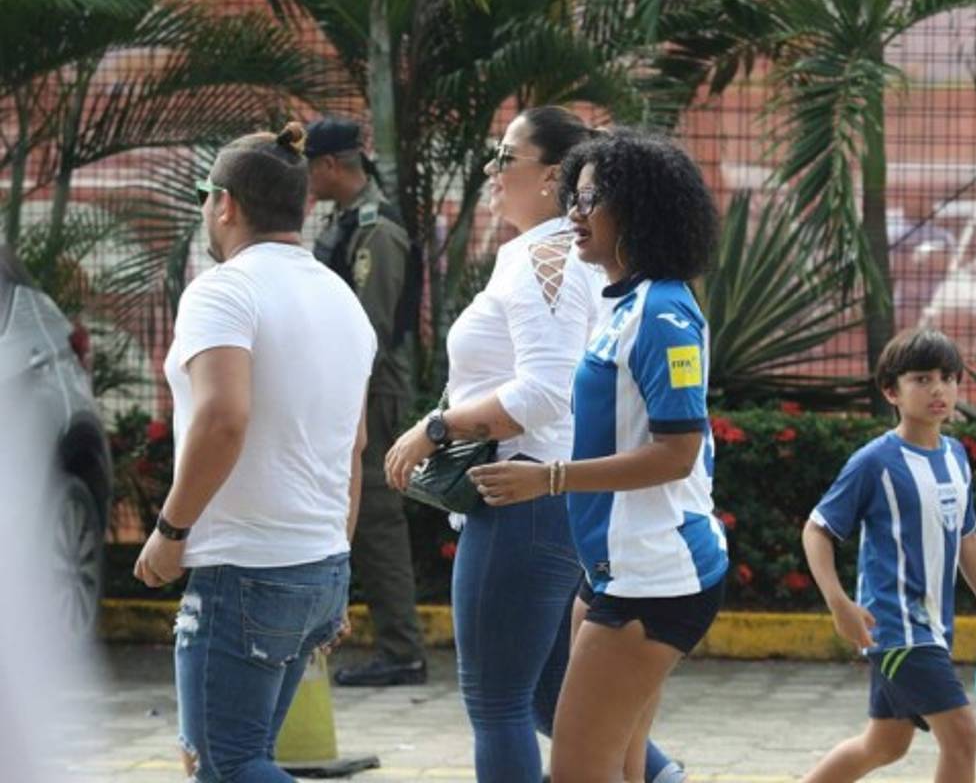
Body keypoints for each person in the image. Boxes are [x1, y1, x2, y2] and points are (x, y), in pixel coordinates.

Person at [383, 109, 683, 783]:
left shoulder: (541, 257)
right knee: (554, 698)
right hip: (560, 495)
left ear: (553, 176)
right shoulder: (585, 257)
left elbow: (544, 393)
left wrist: (437, 426)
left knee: (497, 702)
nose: (491, 171)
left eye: (504, 156)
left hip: (524, 494)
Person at [467, 128, 727, 783]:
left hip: (657, 574)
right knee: (621, 769)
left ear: (637, 211)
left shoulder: (663, 314)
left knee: (581, 771)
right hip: (619, 568)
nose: (574, 214)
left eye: (591, 201)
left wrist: (548, 478)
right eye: (573, 199)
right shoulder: (626, 303)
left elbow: (675, 453)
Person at [133, 123, 376, 781]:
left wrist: (170, 530)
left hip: (245, 570)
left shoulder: (223, 290)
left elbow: (221, 420)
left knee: (227, 765)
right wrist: (339, 559)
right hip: (316, 562)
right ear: (301, 206)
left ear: (227, 204)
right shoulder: (341, 298)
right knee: (244, 758)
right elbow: (353, 446)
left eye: (207, 196)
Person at [798, 328, 976, 783]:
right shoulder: (875, 461)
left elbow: (967, 539)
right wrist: (838, 603)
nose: (938, 389)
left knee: (884, 743)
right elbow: (817, 530)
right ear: (891, 392)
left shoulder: (956, 457)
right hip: (896, 626)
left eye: (947, 377)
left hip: (934, 628)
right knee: (961, 735)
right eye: (921, 379)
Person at [305, 117, 429, 686]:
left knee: (377, 514)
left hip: (370, 388)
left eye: (310, 165)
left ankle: (402, 651)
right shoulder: (346, 220)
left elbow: (369, 330)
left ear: (331, 165)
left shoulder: (378, 231)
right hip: (349, 384)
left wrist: (339, 395)